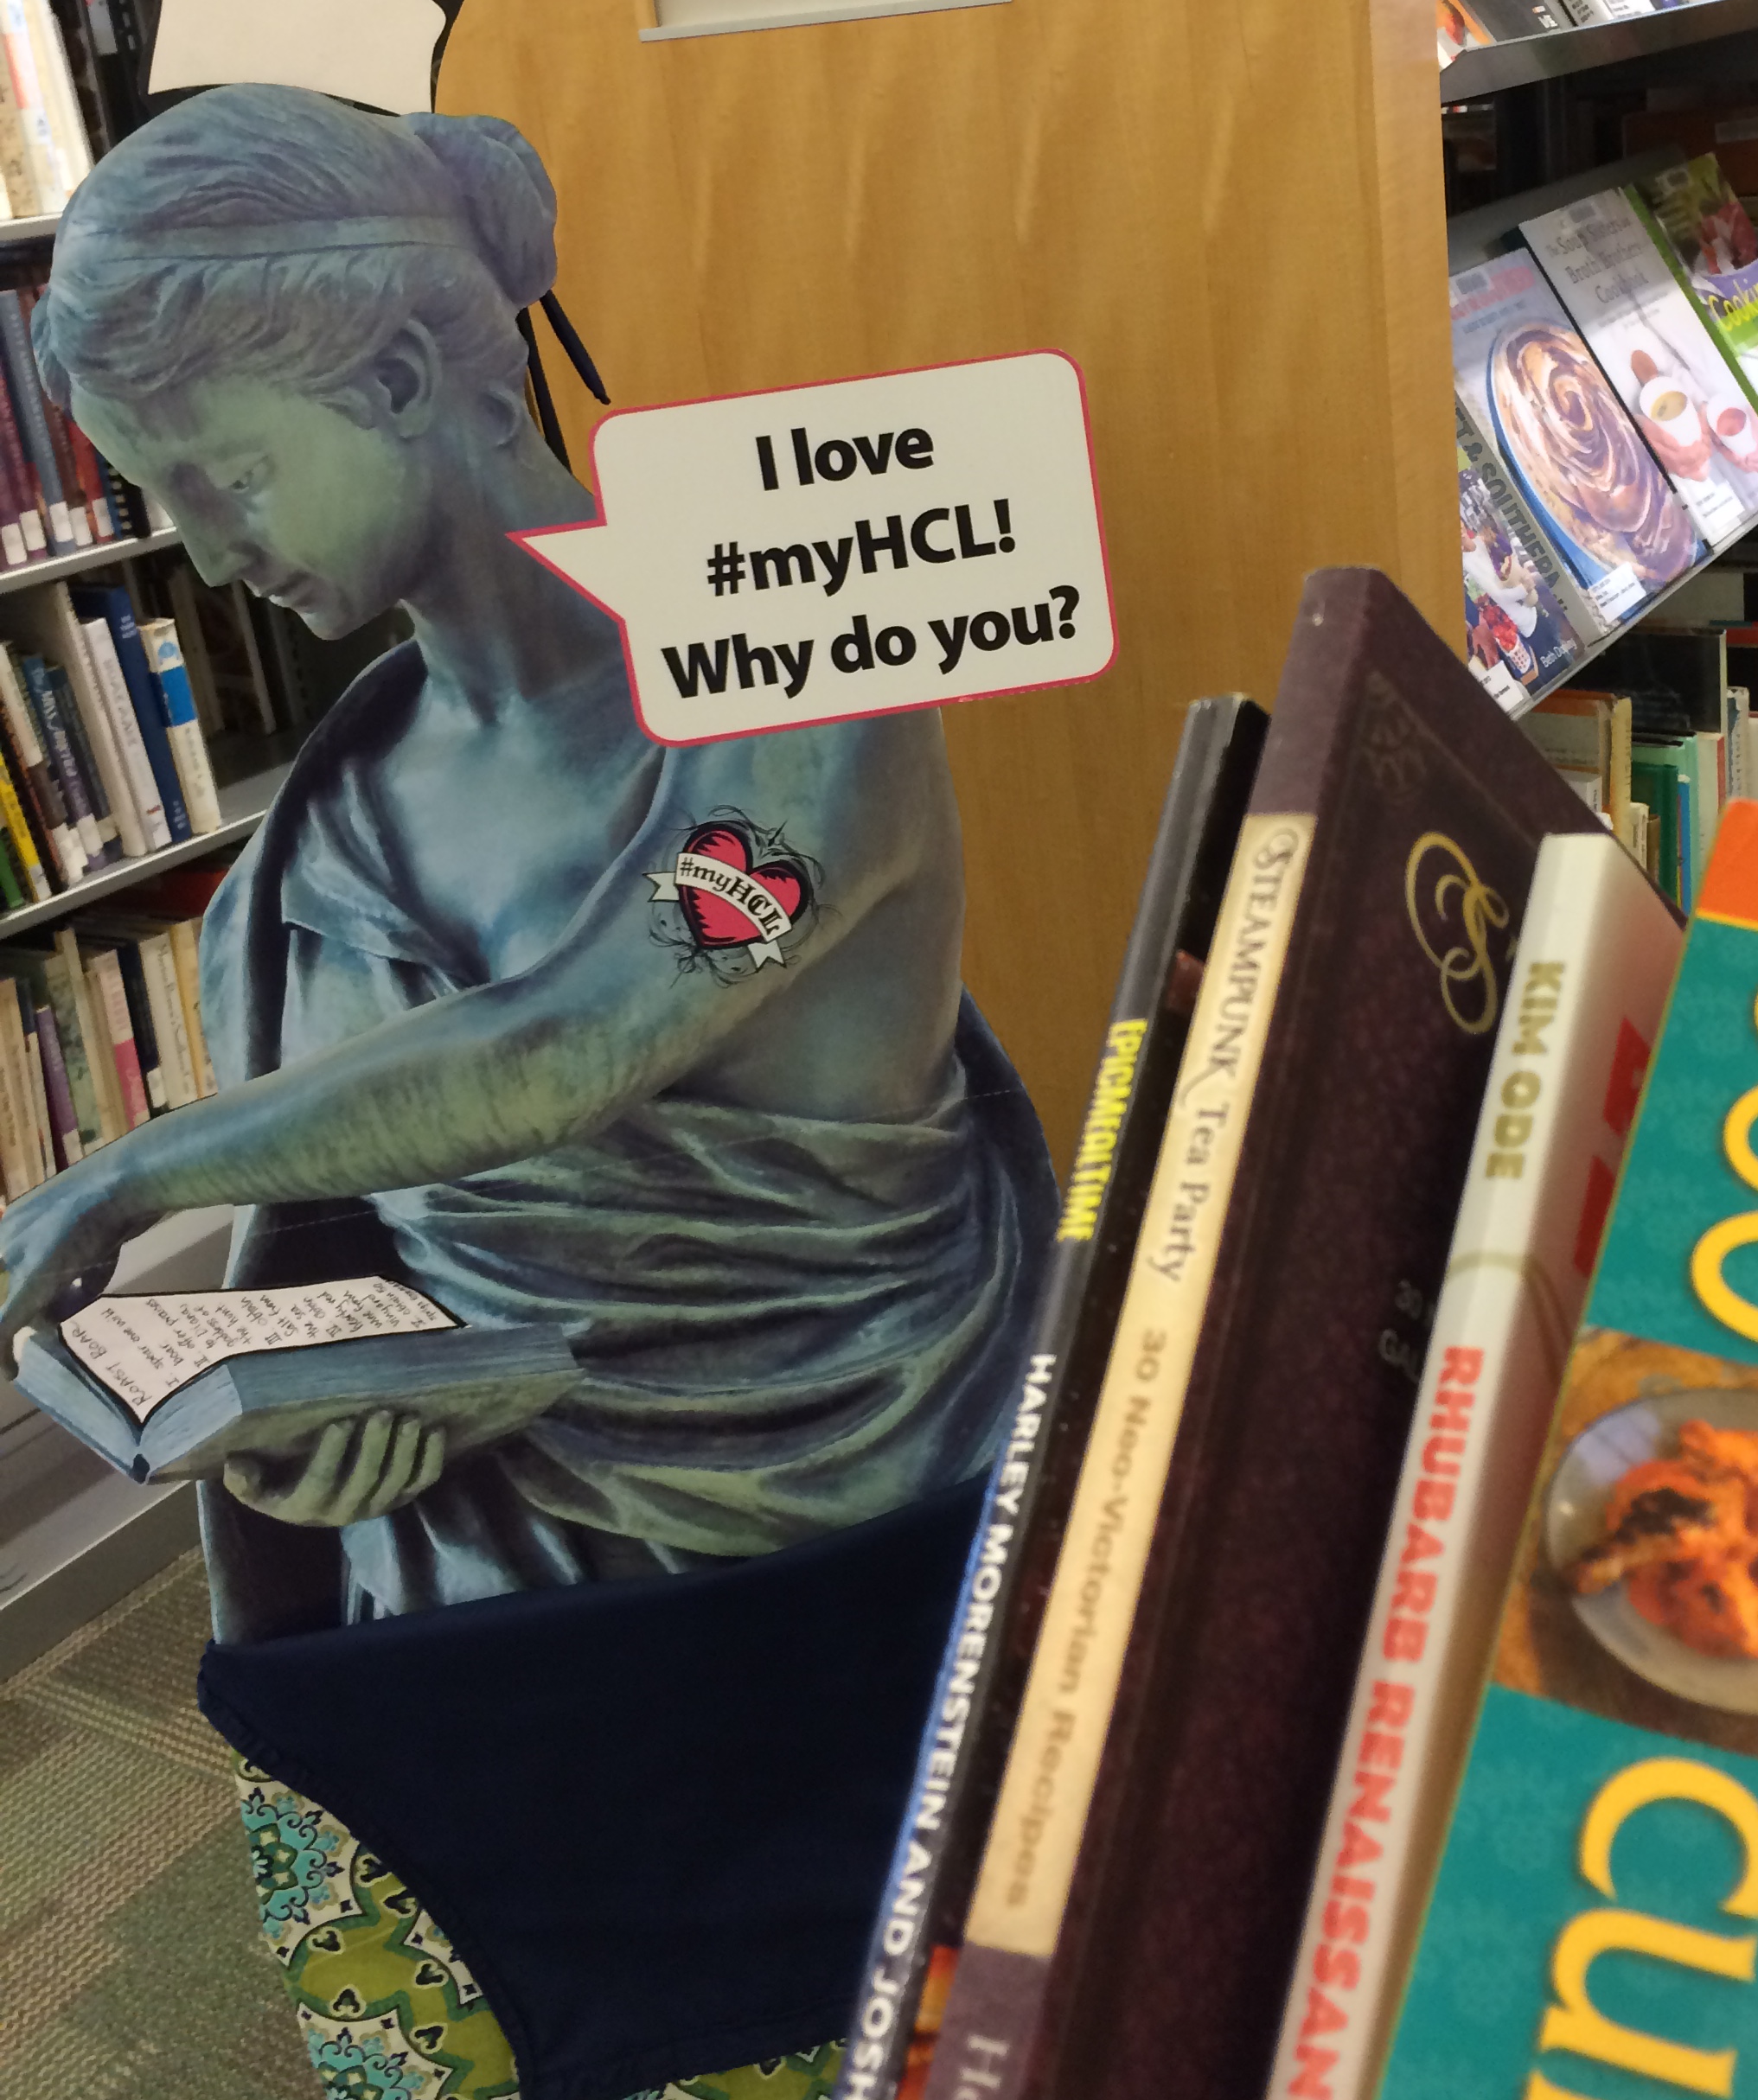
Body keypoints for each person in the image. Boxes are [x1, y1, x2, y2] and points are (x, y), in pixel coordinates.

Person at [0, 84, 1054, 1631]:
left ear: (408, 374)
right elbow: (359, 1243)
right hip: (502, 1587)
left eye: (229, 477)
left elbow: (580, 1042)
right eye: (166, 503)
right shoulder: (331, 827)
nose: (209, 557)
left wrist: (130, 1172)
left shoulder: (801, 674)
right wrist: (303, 1419)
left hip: (875, 1546)